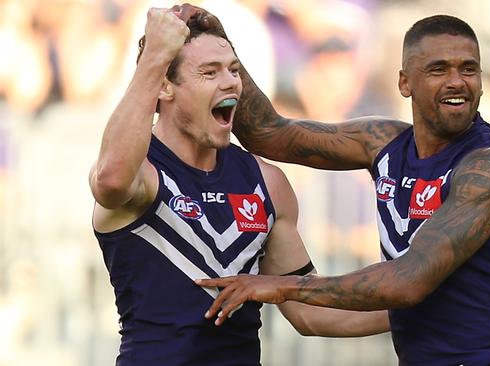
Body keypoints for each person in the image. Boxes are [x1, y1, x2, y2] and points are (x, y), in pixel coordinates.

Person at [193, 7, 490, 365]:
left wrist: (283, 286)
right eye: (438, 69)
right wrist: (221, 45)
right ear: (405, 83)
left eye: (469, 69)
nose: (457, 81)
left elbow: (409, 281)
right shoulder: (383, 142)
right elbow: (267, 133)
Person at [88, 5, 388, 365]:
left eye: (232, 70)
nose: (230, 82)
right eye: (209, 72)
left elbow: (311, 313)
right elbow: (109, 179)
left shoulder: (266, 182)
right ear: (164, 87)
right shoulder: (143, 174)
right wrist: (154, 53)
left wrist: (419, 304)